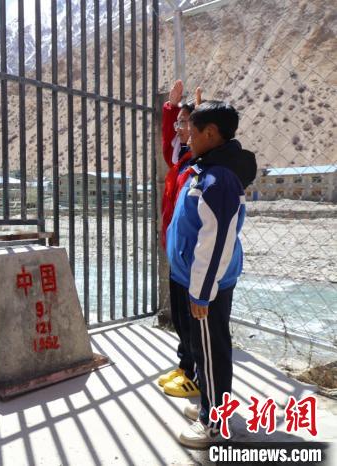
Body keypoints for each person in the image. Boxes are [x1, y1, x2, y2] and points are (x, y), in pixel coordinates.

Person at [166, 101, 257, 448]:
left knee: (211, 351)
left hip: (207, 285)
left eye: (192, 131)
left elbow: (216, 242)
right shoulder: (206, 170)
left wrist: (202, 293)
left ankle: (213, 424)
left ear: (211, 133)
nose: (186, 137)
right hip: (199, 280)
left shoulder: (218, 180)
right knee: (204, 348)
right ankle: (211, 403)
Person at [157, 80, 202, 399]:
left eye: (185, 123)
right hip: (178, 250)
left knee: (191, 314)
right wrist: (171, 108)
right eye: (179, 123)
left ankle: (195, 373)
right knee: (179, 313)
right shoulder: (182, 160)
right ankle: (185, 365)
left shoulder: (200, 164)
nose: (179, 129)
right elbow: (168, 144)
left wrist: (199, 112)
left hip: (192, 252)